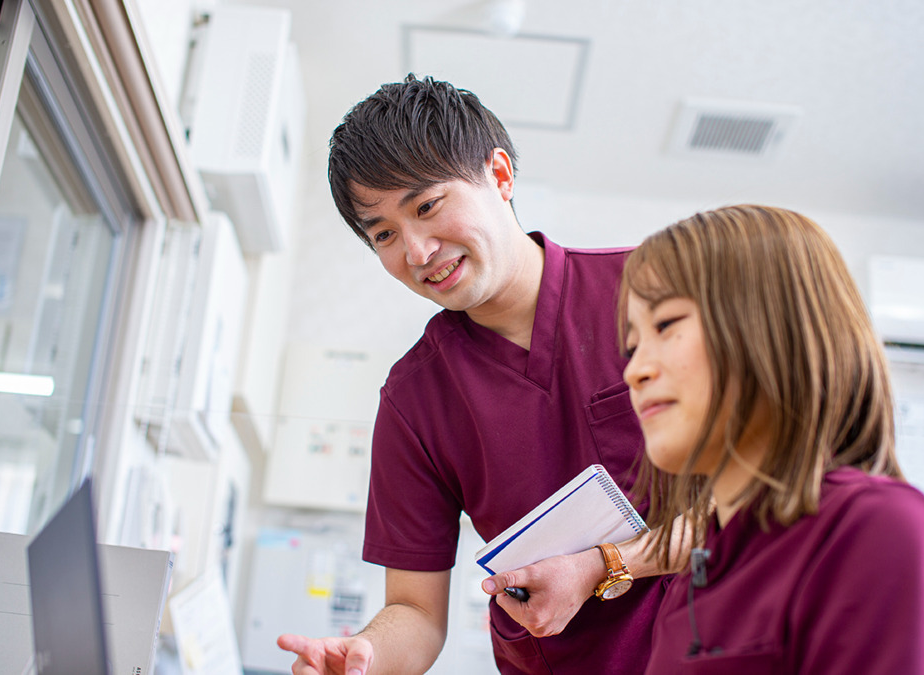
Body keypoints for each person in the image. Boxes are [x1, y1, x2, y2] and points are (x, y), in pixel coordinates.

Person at [277, 74, 682, 674]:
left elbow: (776, 496)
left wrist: (603, 565)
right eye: (384, 234)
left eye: (426, 206)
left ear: (499, 175)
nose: (416, 252)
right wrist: (364, 656)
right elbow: (416, 611)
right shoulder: (415, 401)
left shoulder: (654, 292)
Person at [617, 204, 924, 673]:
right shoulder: (694, 582)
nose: (634, 370)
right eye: (632, 345)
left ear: (775, 326)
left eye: (666, 325)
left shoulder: (877, 531)